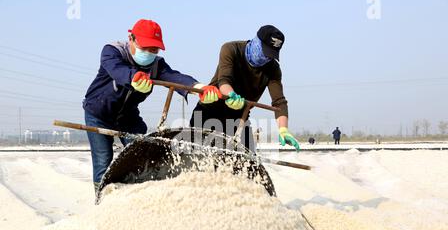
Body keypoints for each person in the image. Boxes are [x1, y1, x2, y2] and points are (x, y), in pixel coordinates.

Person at [82, 19, 220, 194]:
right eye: (144, 47)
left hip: (128, 117)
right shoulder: (113, 51)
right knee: (103, 159)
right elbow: (116, 69)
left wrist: (198, 88)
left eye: (153, 49)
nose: (148, 53)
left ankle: (139, 194)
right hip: (99, 114)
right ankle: (101, 199)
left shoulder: (156, 65)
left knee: (142, 154)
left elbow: (175, 78)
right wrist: (134, 78)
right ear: (131, 39)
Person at [189, 25, 300, 153]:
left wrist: (283, 129)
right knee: (197, 157)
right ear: (256, 41)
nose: (266, 58)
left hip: (239, 118)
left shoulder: (273, 69)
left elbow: (279, 101)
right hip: (209, 111)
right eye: (264, 52)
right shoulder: (231, 49)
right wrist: (231, 95)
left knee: (250, 165)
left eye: (270, 56)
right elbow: (224, 80)